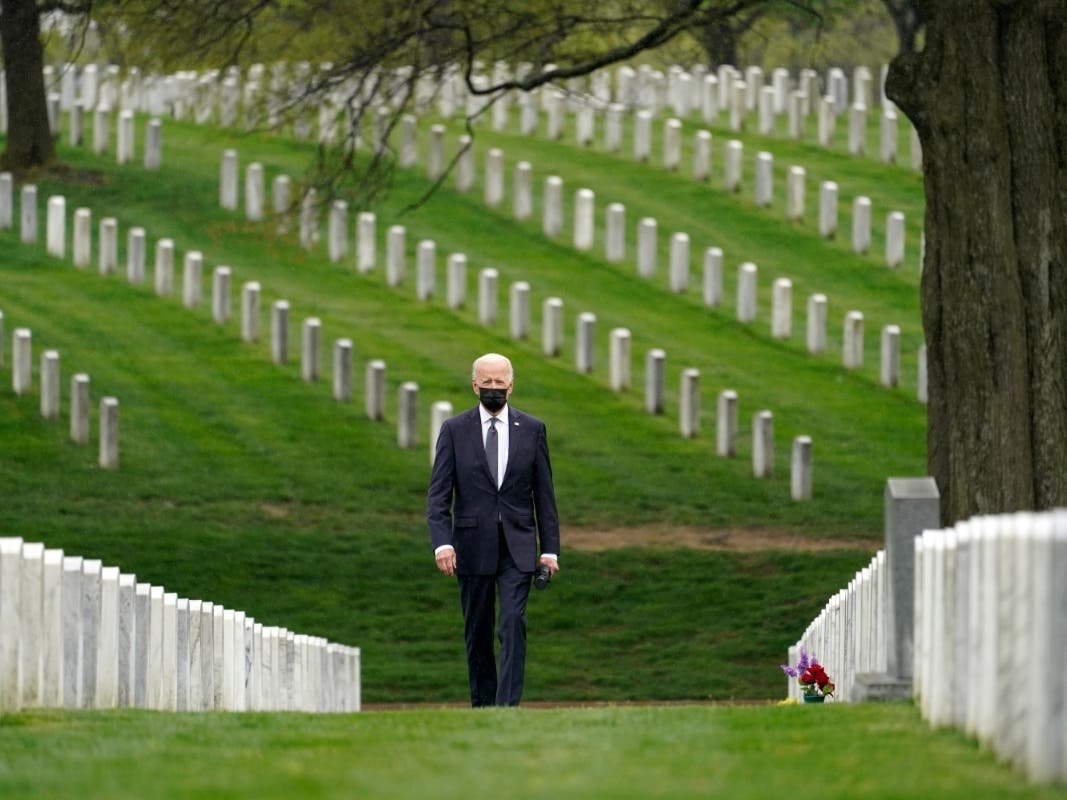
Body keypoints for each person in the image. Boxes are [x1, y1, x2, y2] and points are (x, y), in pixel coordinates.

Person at [427, 352, 560, 707]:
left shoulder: (532, 430)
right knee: (478, 631)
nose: (493, 388)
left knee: (513, 623)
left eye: (499, 382)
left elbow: (544, 495)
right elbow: (439, 494)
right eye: (486, 382)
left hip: (517, 545)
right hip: (471, 544)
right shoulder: (454, 430)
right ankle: (484, 705)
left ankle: (507, 707)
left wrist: (549, 551)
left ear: (511, 385)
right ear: (474, 385)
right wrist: (442, 544)